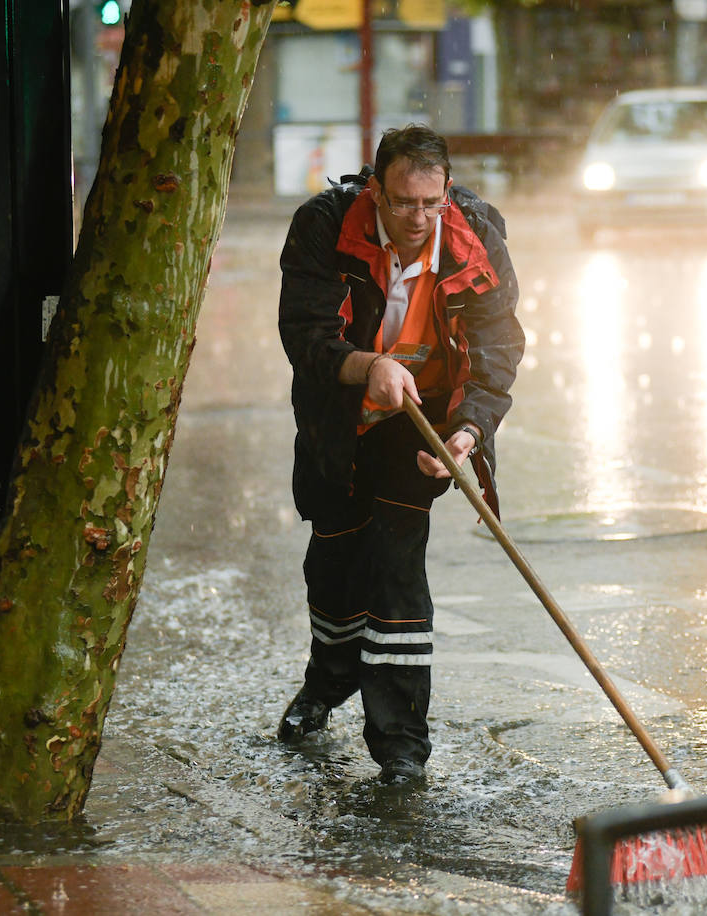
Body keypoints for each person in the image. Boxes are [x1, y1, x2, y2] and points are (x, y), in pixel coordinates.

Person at [276, 125, 524, 784]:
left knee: (394, 559)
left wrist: (467, 435)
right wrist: (367, 365)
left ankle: (401, 746)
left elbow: (499, 349)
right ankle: (326, 684)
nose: (417, 219)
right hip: (341, 416)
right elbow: (304, 335)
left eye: (430, 203)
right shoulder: (323, 227)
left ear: (446, 192)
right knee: (335, 559)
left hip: (424, 420)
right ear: (376, 190)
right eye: (403, 202)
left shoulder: (476, 234)